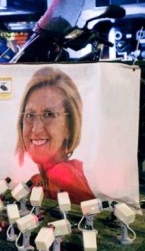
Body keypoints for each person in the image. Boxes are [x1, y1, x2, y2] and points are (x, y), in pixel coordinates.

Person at [15, 66, 92, 203]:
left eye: (48, 114)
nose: (36, 129)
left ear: (69, 126)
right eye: (30, 115)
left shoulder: (62, 175)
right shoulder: (37, 180)